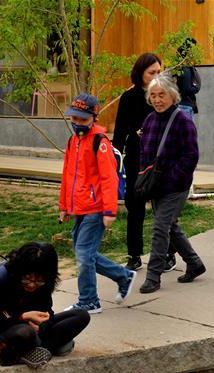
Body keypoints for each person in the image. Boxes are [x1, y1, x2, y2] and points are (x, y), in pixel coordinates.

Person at [59, 93, 137, 313]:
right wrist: (64, 206)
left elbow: (109, 178)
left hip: (96, 208)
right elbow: (67, 175)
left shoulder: (99, 142)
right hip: (79, 207)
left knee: (83, 254)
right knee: (84, 252)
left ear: (94, 117)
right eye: (73, 119)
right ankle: (123, 276)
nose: (77, 123)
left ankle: (89, 300)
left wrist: (110, 210)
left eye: (82, 120)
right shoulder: (72, 141)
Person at [0, 242, 91, 369]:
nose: (32, 285)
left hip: (34, 330)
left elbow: (47, 310)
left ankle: (36, 350)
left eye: (39, 281)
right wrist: (22, 317)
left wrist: (43, 321)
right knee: (25, 332)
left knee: (81, 315)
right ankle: (37, 348)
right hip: (1, 332)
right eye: (27, 279)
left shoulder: (46, 282)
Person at [137, 73, 206, 294]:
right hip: (155, 184)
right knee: (170, 226)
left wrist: (171, 179)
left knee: (160, 227)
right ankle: (194, 263)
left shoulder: (183, 121)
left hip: (176, 186)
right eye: (153, 95)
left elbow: (190, 157)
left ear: (172, 95)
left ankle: (153, 276)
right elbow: (144, 154)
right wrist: (145, 181)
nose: (157, 100)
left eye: (162, 95)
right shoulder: (149, 120)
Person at [113, 53, 177, 273]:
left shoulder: (165, 96)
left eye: (160, 72)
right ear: (140, 73)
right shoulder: (129, 97)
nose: (156, 76)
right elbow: (121, 130)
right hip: (136, 160)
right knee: (135, 206)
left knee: (162, 208)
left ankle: (168, 253)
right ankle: (134, 255)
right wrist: (116, 156)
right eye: (152, 72)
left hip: (161, 160)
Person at [175, 38, 201, 122]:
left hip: (181, 104)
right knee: (188, 134)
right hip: (185, 106)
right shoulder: (185, 69)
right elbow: (187, 89)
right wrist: (196, 87)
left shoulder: (178, 68)